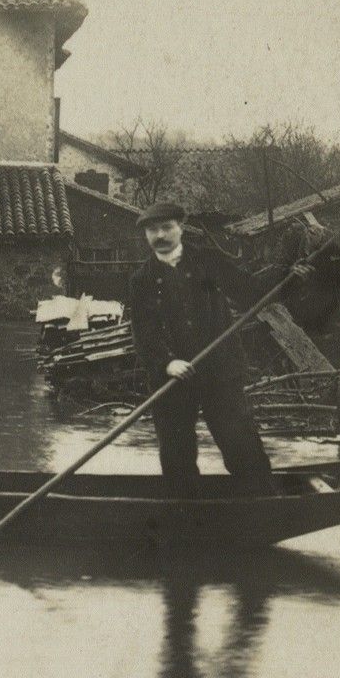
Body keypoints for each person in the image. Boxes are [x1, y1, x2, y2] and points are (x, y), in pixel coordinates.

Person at [124, 202, 310, 496]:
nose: (160, 235)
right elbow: (144, 332)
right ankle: (186, 515)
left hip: (220, 370)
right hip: (172, 379)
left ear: (180, 228)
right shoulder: (141, 280)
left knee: (240, 443)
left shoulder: (207, 261)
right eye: (152, 230)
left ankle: (262, 506)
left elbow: (249, 291)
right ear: (146, 235)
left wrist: (288, 278)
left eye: (166, 227)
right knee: (176, 455)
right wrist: (167, 363)